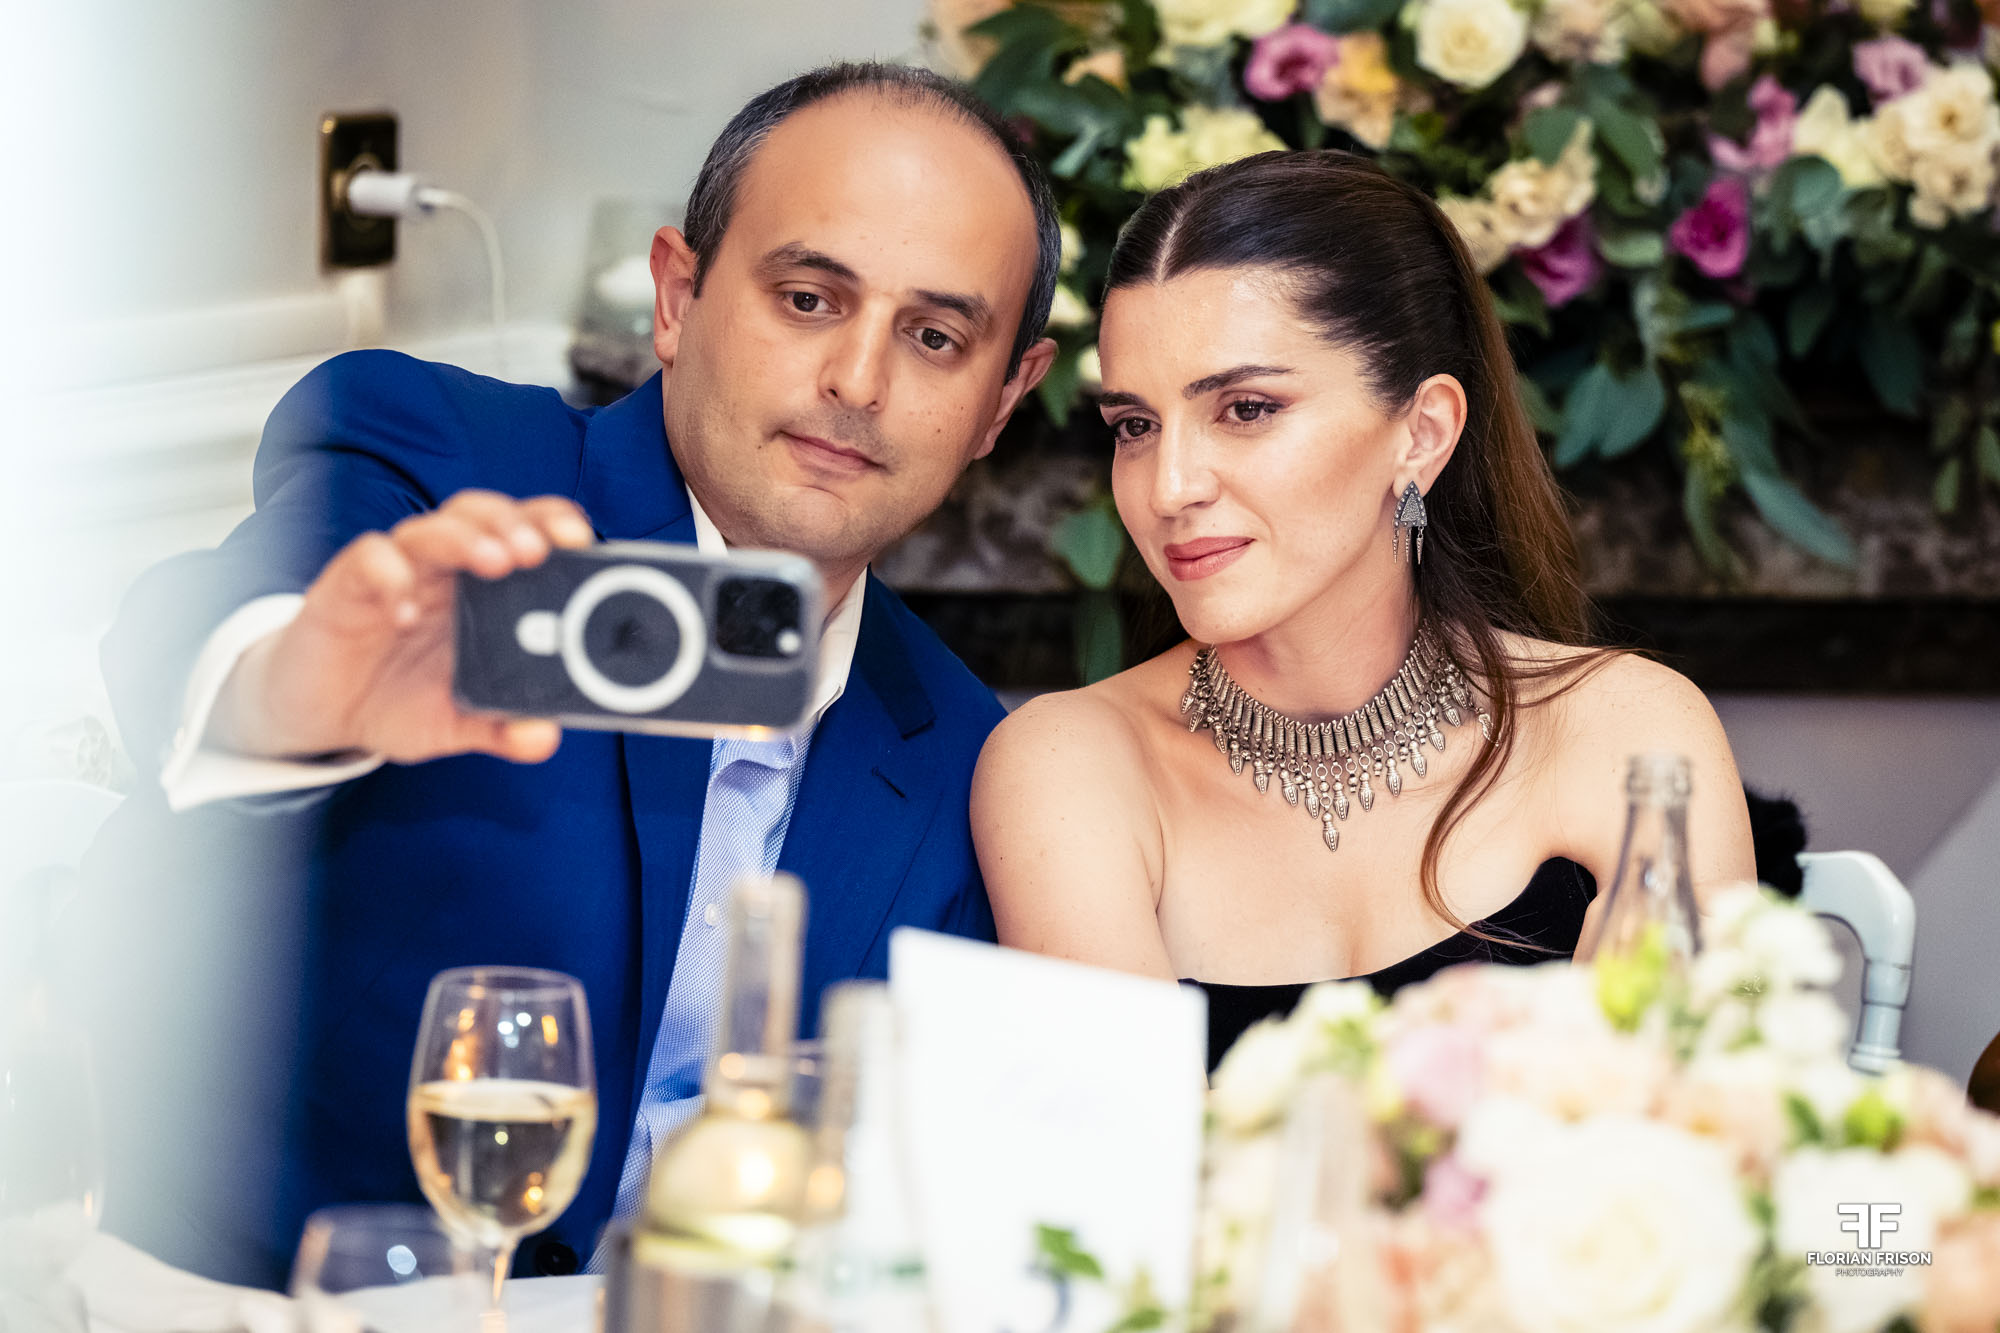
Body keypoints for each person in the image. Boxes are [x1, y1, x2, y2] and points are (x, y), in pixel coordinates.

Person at [89, 62, 1056, 1285]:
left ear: (1001, 399)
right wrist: (293, 694)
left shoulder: (966, 749)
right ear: (677, 295)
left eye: (932, 336)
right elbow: (203, 629)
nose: (858, 383)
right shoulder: (457, 469)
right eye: (808, 298)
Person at [970, 150, 1756, 1073]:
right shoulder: (1068, 765)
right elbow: (1123, 1195)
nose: (1169, 487)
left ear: (1421, 433)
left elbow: (1674, 1157)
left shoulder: (1628, 733)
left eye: (1246, 407)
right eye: (1134, 426)